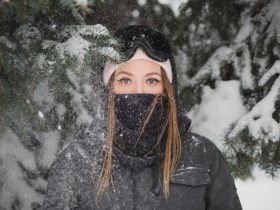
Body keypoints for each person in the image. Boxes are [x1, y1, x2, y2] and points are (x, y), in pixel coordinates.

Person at [41, 25, 242, 210]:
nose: (138, 92)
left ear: (167, 89)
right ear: (107, 88)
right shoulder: (76, 160)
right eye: (125, 80)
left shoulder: (203, 156)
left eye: (152, 80)